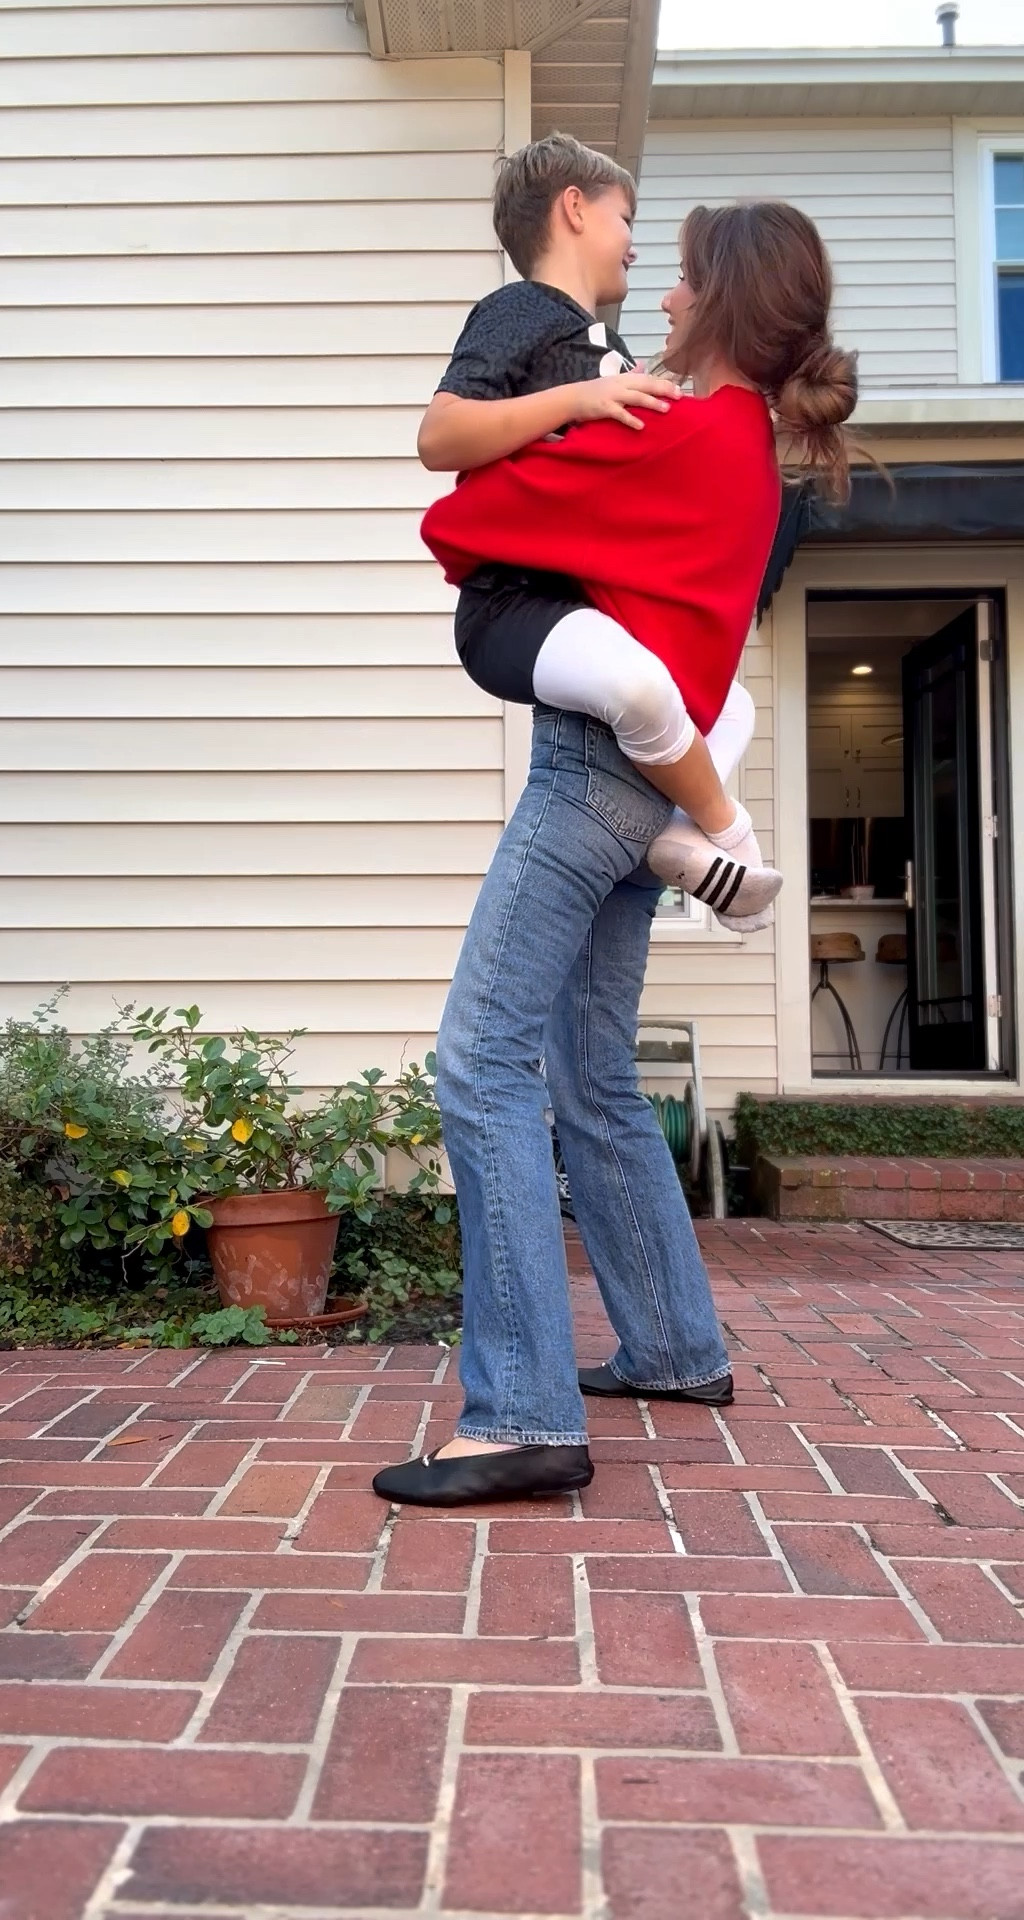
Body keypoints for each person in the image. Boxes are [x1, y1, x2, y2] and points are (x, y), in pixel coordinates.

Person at [373, 197, 858, 1509]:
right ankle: (675, 1345)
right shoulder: (752, 451)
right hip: (645, 780)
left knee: (480, 1059)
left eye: (689, 281)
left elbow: (460, 519)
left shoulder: (674, 425)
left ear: (731, 299)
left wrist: (570, 413)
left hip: (592, 776)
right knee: (591, 1069)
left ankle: (520, 1412)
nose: (667, 298)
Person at [415, 132, 782, 930]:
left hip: (588, 612)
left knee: (733, 707)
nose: (637, 246)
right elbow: (439, 437)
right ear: (574, 211)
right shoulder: (521, 312)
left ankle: (681, 837)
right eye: (626, 217)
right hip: (513, 604)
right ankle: (726, 836)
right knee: (643, 690)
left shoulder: (611, 350)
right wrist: (572, 402)